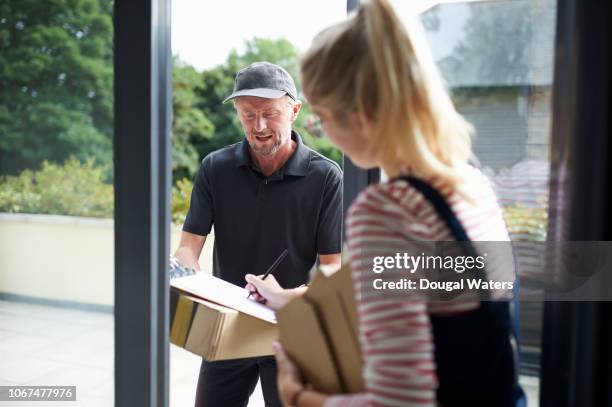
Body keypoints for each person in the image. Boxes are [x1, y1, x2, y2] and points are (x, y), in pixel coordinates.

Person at [244, 1, 525, 406]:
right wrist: (288, 298)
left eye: (321, 117)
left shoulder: (389, 210)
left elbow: (400, 402)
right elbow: (443, 308)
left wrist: (299, 396)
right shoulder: (471, 186)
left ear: (360, 115)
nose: (322, 132)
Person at [174, 61, 343, 407]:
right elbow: (188, 247)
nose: (259, 126)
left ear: (294, 110)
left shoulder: (326, 177)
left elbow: (332, 270)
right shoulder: (215, 168)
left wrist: (288, 295)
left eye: (269, 113)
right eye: (248, 115)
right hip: (226, 326)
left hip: (292, 331)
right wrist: (186, 275)